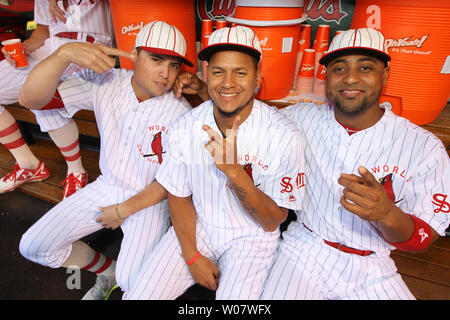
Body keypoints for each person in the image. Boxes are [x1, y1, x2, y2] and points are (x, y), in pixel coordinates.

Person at [260, 28, 450, 300]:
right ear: (326, 77)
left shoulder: (423, 146)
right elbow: (246, 120)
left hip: (373, 264)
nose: (350, 78)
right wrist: (205, 88)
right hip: (304, 248)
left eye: (365, 67)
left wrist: (387, 215)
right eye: (339, 68)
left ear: (384, 74)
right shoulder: (301, 118)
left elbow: (423, 238)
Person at [124, 25, 305, 300]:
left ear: (257, 76)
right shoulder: (186, 126)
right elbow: (178, 195)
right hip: (200, 226)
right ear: (206, 75)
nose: (228, 83)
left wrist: (234, 171)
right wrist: (192, 255)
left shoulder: (285, 135)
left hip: (252, 238)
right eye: (219, 71)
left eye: (240, 72)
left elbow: (272, 222)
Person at [18, 20, 193, 300]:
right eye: (156, 59)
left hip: (150, 202)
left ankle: (119, 275)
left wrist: (123, 211)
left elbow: (170, 183)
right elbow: (31, 99)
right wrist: (62, 55)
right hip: (107, 186)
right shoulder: (106, 81)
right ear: (134, 55)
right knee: (34, 245)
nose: (165, 73)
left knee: (133, 283)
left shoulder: (182, 110)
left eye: (174, 65)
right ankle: (105, 270)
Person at [0, 0, 114, 200]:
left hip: (92, 49)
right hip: (51, 47)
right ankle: (29, 165)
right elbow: (43, 30)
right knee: (37, 84)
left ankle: (76, 171)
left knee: (40, 90)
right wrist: (25, 46)